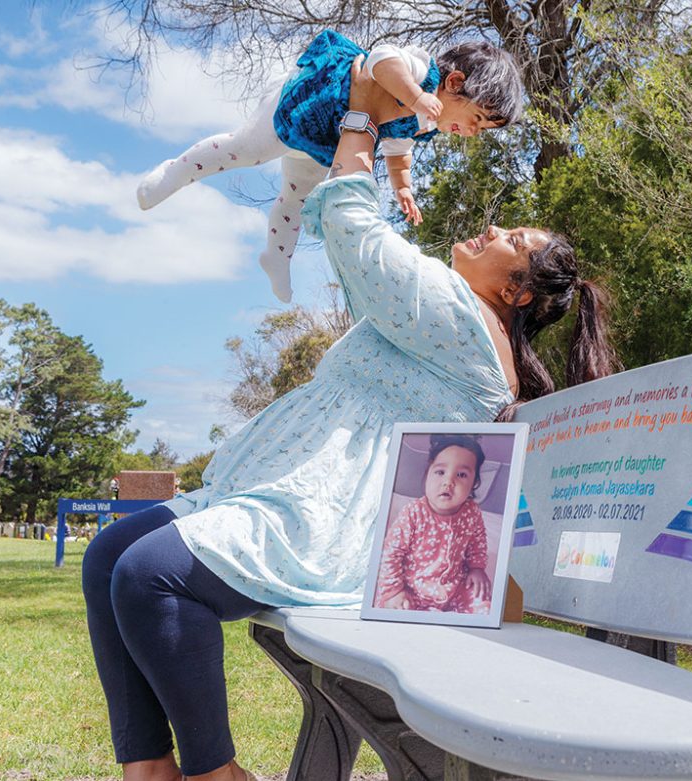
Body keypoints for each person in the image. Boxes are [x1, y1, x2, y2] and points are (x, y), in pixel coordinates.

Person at [84, 57, 615, 781]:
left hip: (332, 521)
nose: (492, 228)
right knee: (107, 556)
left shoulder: (463, 319)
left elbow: (354, 233)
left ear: (517, 294)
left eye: (511, 241)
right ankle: (149, 769)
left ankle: (216, 772)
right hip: (297, 492)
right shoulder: (460, 317)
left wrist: (361, 115)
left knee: (149, 575)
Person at [135, 30, 525, 304]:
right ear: (455, 82)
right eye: (476, 119)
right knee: (245, 150)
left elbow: (397, 150)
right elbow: (381, 58)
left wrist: (403, 187)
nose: (472, 133)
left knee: (296, 198)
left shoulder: (425, 124)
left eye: (481, 129)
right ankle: (176, 171)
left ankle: (276, 256)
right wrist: (416, 94)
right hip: (305, 103)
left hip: (325, 143)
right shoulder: (422, 74)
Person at [374, 435, 493, 613]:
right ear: (427, 474)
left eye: (461, 475)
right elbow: (390, 553)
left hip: (454, 586)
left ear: (474, 484)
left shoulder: (472, 512)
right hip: (412, 588)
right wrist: (393, 592)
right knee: (396, 613)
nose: (448, 482)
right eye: (440, 472)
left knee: (483, 604)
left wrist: (477, 568)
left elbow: (477, 542)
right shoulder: (413, 513)